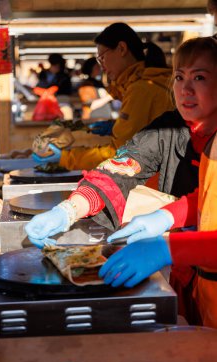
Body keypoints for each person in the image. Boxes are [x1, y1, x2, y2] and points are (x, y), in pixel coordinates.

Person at [99, 36, 217, 328]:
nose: (186, 89)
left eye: (199, 78)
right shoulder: (210, 138)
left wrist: (168, 248)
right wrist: (168, 216)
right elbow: (207, 200)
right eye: (179, 77)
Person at [32, 22, 174, 170]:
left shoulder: (142, 89)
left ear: (121, 49)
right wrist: (116, 128)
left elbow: (121, 155)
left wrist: (66, 158)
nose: (102, 66)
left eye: (102, 58)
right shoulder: (145, 84)